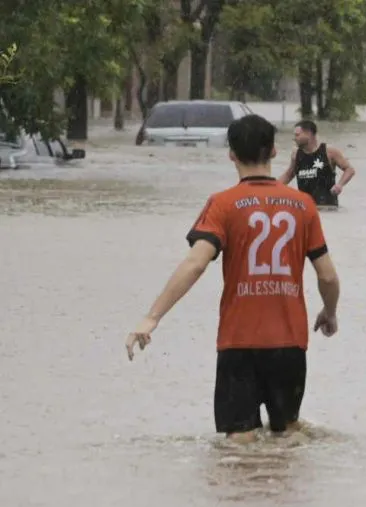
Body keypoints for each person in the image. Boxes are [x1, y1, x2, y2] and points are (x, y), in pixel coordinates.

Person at [125, 114, 342, 444]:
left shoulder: (222, 204)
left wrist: (151, 317)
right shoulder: (304, 206)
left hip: (238, 343)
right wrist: (329, 311)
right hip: (289, 344)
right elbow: (327, 275)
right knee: (288, 440)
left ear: (231, 154)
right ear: (272, 152)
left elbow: (195, 264)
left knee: (238, 447)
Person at [278, 120, 356, 209]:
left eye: (297, 135)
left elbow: (349, 170)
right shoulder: (296, 154)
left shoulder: (329, 152)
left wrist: (339, 185)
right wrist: (271, 190)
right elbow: (289, 175)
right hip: (305, 209)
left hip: (327, 208)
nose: (294, 138)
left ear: (309, 134)